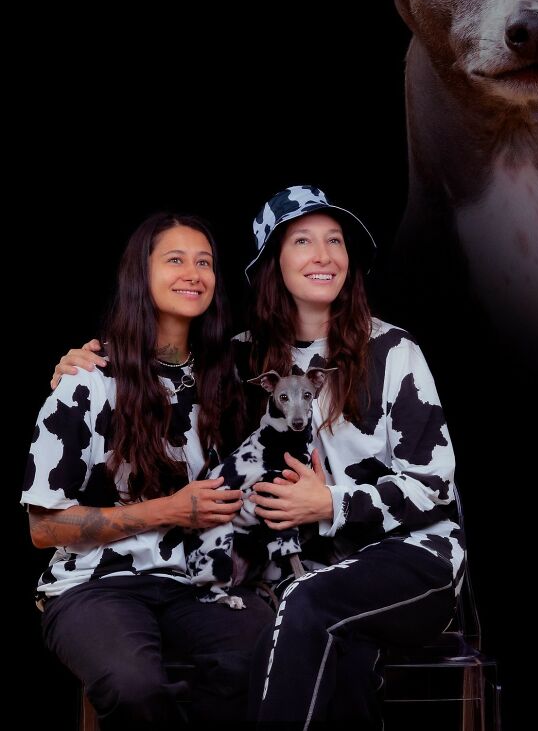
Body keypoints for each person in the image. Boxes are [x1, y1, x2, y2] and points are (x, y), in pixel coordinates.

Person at [51, 186, 466, 729]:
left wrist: (331, 502)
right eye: (303, 241)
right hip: (296, 572)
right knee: (328, 651)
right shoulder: (239, 359)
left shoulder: (393, 352)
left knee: (304, 611)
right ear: (273, 264)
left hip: (408, 554)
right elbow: (162, 374)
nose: (324, 255)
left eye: (335, 241)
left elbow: (434, 484)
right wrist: (80, 362)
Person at [22, 212, 273, 730]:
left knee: (265, 660)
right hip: (95, 585)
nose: (194, 273)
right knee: (134, 686)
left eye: (204, 262)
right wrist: (173, 510)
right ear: (141, 273)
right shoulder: (89, 380)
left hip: (201, 582)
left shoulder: (232, 378)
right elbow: (44, 528)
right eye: (175, 259)